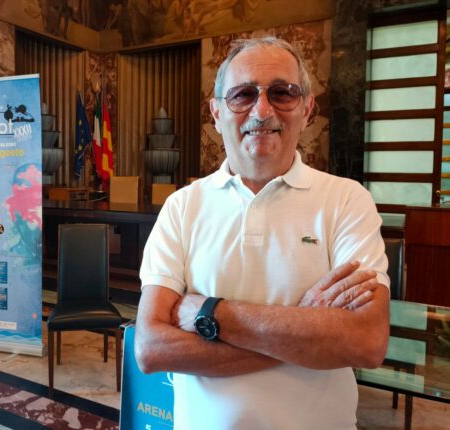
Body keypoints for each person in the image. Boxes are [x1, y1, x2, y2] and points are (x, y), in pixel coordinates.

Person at [135, 36, 390, 430]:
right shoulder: (181, 207)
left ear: (307, 108)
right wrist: (305, 331)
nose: (262, 110)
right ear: (217, 112)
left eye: (282, 93)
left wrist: (209, 313)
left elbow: (367, 341)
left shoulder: (346, 200)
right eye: (243, 95)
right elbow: (152, 348)